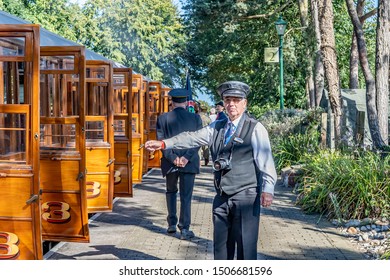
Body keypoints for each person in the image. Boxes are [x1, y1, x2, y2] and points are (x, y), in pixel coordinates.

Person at [145, 81, 277, 260]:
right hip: (222, 195)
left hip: (246, 194)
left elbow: (266, 161)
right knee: (221, 248)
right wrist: (164, 143)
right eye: (227, 99)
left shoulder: (255, 128)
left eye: (236, 100)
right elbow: (191, 138)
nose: (231, 104)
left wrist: (268, 190)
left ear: (244, 103)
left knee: (245, 247)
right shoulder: (217, 127)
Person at [157, 88, 202, 240]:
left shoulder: (162, 118)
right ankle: (184, 228)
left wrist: (173, 158)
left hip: (170, 163)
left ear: (172, 101)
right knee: (186, 196)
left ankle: (171, 224)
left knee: (171, 192)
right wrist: (186, 158)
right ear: (186, 102)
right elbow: (198, 142)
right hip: (189, 163)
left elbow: (161, 142)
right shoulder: (196, 119)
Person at [196, 102, 211, 166]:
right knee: (206, 148)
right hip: (205, 135)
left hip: (198, 134)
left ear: (199, 109)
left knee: (198, 149)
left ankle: (198, 161)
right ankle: (206, 160)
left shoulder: (196, 116)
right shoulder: (208, 118)